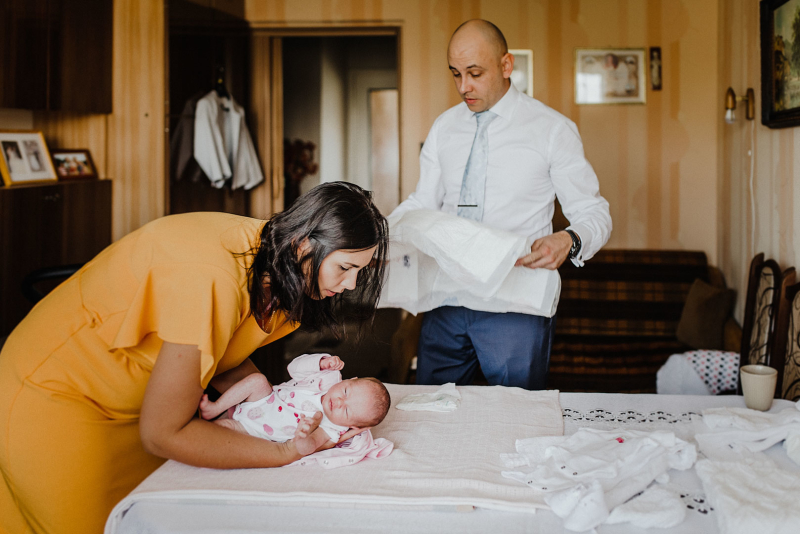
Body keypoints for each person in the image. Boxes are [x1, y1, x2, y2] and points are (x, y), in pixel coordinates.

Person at [0, 181, 388, 534]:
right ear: (304, 243)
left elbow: (223, 354)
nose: (351, 284)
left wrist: (277, 414)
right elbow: (162, 434)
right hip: (57, 394)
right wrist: (287, 451)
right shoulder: (214, 277)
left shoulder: (278, 262)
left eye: (360, 271)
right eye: (345, 267)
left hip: (143, 403)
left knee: (160, 514)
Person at [389, 20, 611, 390]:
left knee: (517, 413)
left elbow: (594, 212)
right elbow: (422, 202)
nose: (463, 86)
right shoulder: (444, 128)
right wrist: (380, 237)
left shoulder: (552, 130)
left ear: (506, 65)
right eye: (456, 74)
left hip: (515, 302)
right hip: (446, 297)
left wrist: (569, 240)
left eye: (475, 73)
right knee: (430, 407)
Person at [199, 353, 391, 448]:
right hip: (262, 399)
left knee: (220, 430)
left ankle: (199, 433)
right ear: (350, 379)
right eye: (346, 391)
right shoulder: (329, 376)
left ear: (352, 425)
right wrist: (320, 362)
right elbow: (293, 369)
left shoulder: (333, 428)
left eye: (347, 411)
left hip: (256, 431)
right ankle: (215, 407)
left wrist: (302, 437)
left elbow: (312, 445)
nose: (340, 402)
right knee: (258, 381)